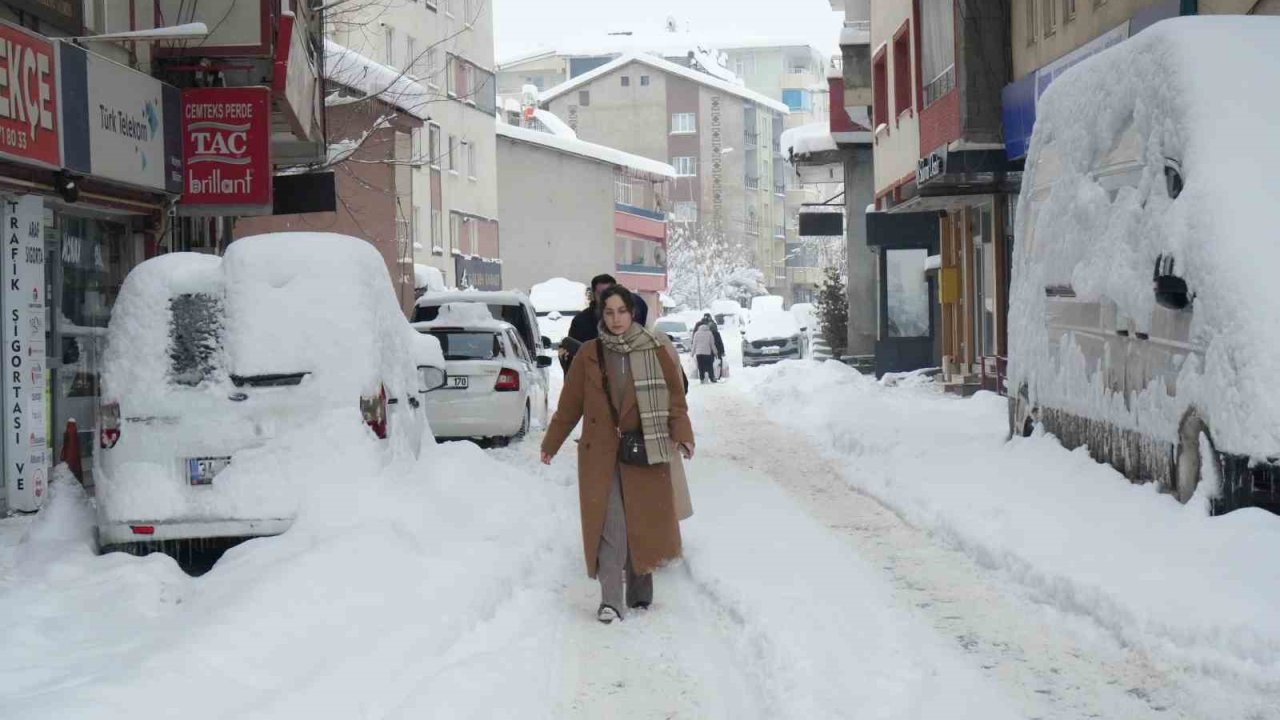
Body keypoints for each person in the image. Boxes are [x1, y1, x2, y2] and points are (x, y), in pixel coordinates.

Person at [541, 285, 694, 624]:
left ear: (632, 312)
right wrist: (551, 443)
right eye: (609, 312)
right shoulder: (590, 355)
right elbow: (569, 406)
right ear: (601, 315)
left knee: (642, 521)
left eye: (621, 311)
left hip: (643, 448)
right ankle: (610, 600)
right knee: (611, 526)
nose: (616, 319)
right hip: (601, 453)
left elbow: (675, 400)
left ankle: (640, 594)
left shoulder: (655, 350)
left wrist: (682, 435)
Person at [560, 274, 649, 372]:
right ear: (593, 295)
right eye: (601, 294)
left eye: (610, 293)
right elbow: (573, 362)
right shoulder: (581, 322)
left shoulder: (631, 316)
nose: (605, 298)